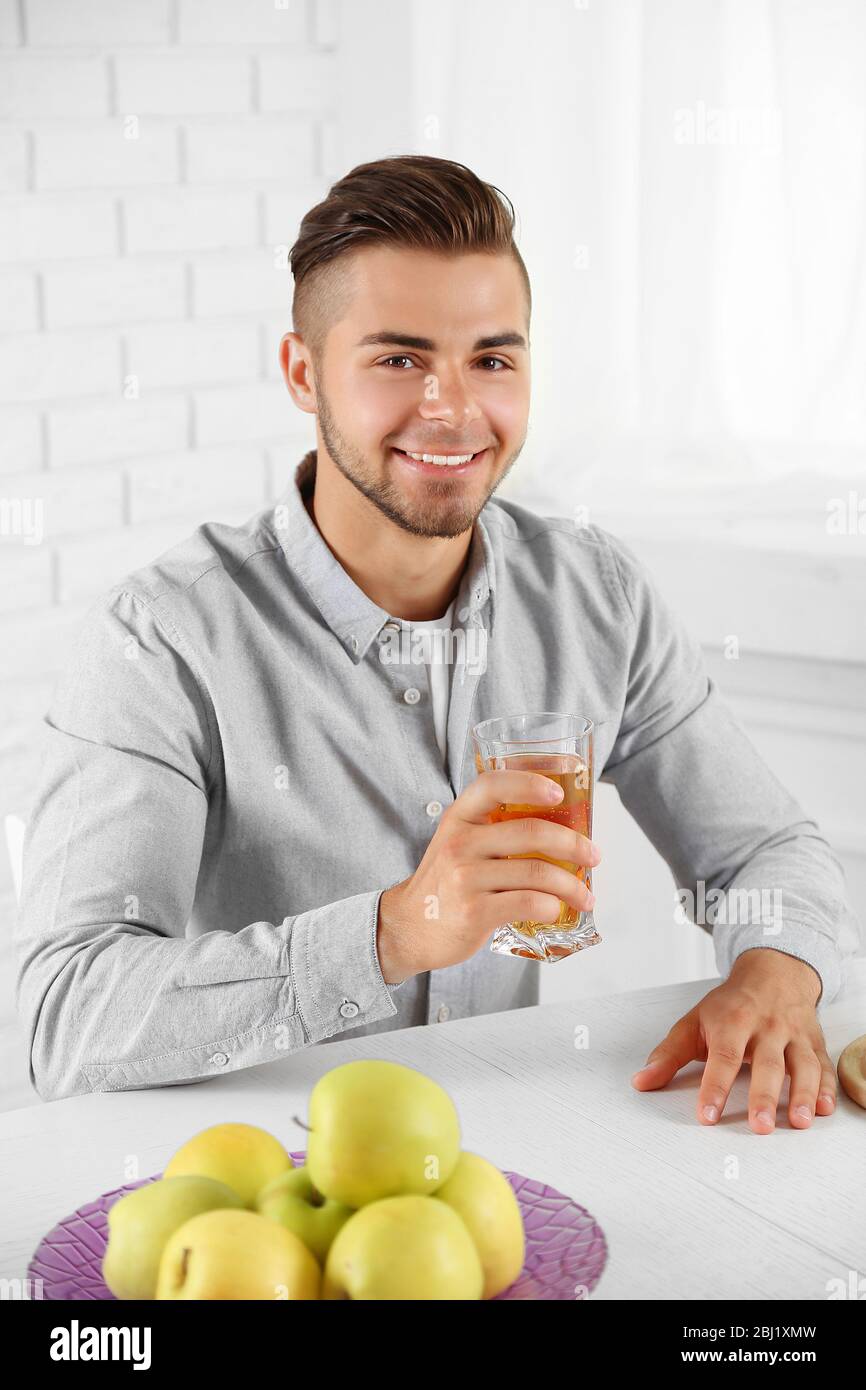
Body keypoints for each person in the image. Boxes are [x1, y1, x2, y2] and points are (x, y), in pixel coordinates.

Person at [14, 156, 861, 1127]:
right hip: (252, 1191)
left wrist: (776, 970)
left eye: (491, 360)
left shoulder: (594, 594)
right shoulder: (159, 643)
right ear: (303, 372)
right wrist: (390, 931)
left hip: (504, 1160)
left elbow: (764, 850)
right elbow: (68, 1019)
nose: (453, 409)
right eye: (399, 359)